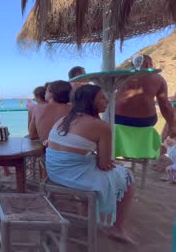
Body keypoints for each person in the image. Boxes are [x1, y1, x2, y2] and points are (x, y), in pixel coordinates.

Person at [46, 84, 135, 244]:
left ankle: (91, 212)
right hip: (72, 176)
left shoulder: (63, 120)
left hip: (54, 173)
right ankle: (116, 227)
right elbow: (104, 164)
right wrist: (107, 163)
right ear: (89, 102)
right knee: (127, 177)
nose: (107, 100)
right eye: (102, 97)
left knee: (105, 170)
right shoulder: (101, 126)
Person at [114, 54, 175, 159]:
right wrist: (172, 125)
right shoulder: (158, 78)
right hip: (145, 122)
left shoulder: (121, 76)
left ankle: (122, 151)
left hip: (118, 119)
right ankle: (140, 152)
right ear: (147, 64)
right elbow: (165, 105)